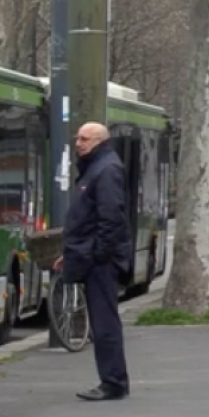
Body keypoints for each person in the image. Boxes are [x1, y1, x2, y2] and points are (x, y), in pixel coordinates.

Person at [54, 121, 132, 402]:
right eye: (78, 138)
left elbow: (110, 218)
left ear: (99, 141)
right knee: (102, 321)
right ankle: (112, 380)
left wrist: (96, 254)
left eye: (84, 139)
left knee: (104, 322)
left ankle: (112, 382)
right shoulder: (98, 167)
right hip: (93, 255)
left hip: (101, 260)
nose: (78, 143)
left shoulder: (105, 169)